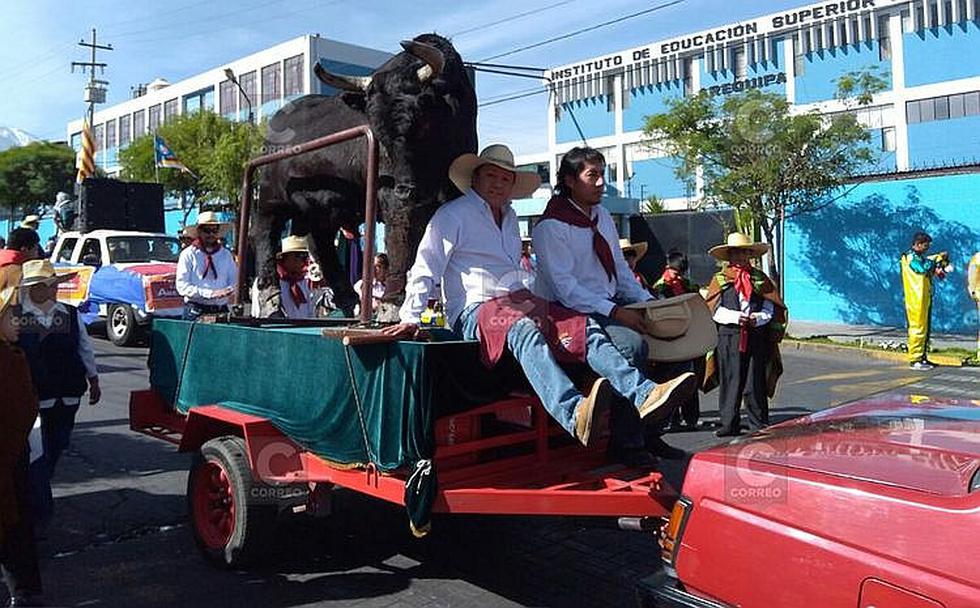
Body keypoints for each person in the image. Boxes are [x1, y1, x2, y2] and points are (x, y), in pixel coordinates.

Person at [384, 144, 695, 449]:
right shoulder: (452, 215)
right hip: (474, 309)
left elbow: (515, 274)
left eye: (506, 178)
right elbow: (426, 265)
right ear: (475, 179)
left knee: (583, 326)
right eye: (491, 176)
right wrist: (411, 316)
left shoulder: (509, 216)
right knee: (524, 330)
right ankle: (572, 412)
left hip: (517, 301)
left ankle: (643, 394)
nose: (499, 184)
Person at [533, 146, 692, 465]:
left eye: (602, 174)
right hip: (567, 312)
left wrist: (648, 305)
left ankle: (650, 433)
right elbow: (567, 291)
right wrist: (618, 313)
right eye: (592, 175)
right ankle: (626, 445)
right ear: (570, 180)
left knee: (682, 347)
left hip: (607, 304)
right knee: (632, 346)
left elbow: (620, 271)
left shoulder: (602, 216)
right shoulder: (551, 227)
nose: (601, 182)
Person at [16, 259, 101, 532]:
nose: (49, 290)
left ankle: (40, 491)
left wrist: (93, 379)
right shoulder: (16, 316)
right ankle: (37, 505)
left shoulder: (69, 313)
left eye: (51, 285)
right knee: (38, 452)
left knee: (59, 443)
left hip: (68, 392)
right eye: (42, 285)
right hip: (35, 395)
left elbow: (84, 348)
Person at [704, 233, 787, 437]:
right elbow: (713, 310)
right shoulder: (720, 280)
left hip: (756, 335)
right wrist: (735, 317)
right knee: (730, 379)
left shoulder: (760, 279)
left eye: (745, 252)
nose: (741, 256)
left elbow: (771, 307)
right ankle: (729, 423)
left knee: (754, 380)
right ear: (729, 256)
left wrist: (756, 318)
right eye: (737, 252)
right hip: (729, 336)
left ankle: (757, 422)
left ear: (750, 254)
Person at [0, 285, 44, 607]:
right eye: (10, 317)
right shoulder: (10, 361)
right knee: (14, 528)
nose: (17, 322)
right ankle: (22, 593)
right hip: (10, 460)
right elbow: (23, 410)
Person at [651, 249, 704, 431]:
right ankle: (671, 418)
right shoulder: (660, 287)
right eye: (675, 272)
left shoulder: (687, 285)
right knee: (671, 378)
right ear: (668, 267)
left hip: (686, 335)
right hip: (668, 336)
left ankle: (691, 418)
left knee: (690, 376)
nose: (677, 275)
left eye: (680, 272)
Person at [175, 212, 238, 320]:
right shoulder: (189, 254)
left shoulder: (226, 254)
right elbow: (182, 286)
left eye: (214, 230)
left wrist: (229, 291)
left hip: (221, 310)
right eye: (207, 230)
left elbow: (234, 281)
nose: (211, 234)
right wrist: (210, 293)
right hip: (196, 310)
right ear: (199, 231)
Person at [900, 232, 948, 370]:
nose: (927, 249)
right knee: (917, 328)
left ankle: (922, 357)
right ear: (918, 244)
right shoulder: (910, 258)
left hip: (923, 297)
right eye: (926, 246)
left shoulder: (919, 257)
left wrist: (938, 261)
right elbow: (921, 268)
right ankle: (915, 359)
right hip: (915, 298)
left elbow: (928, 266)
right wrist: (935, 260)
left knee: (924, 329)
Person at [250, 236, 326, 319]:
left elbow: (313, 308)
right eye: (299, 255)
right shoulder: (268, 281)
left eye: (305, 255)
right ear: (284, 257)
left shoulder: (305, 281)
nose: (304, 260)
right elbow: (259, 311)